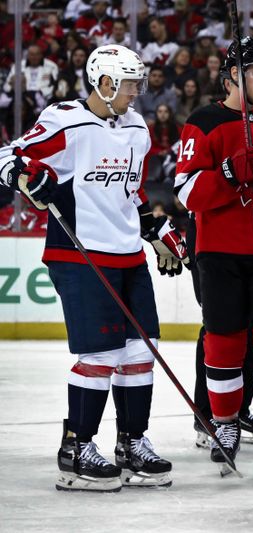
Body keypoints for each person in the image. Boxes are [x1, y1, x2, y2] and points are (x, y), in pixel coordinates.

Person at [0, 44, 189, 492]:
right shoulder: (67, 120)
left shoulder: (138, 127)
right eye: (128, 84)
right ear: (104, 83)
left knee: (142, 352)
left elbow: (130, 193)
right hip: (79, 252)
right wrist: (26, 176)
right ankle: (77, 447)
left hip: (126, 254)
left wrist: (153, 229)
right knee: (101, 355)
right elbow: (10, 155)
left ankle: (132, 442)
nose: (136, 92)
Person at [174, 37, 253, 480]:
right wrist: (228, 173)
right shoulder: (203, 122)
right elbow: (187, 192)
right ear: (233, 76)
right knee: (225, 342)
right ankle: (224, 425)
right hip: (221, 252)